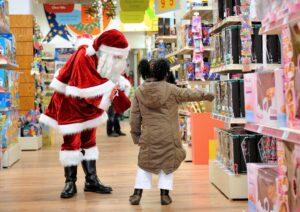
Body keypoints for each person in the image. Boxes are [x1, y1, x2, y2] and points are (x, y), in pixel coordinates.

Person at [39, 30, 131, 199]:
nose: (118, 61)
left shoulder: (103, 59)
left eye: (121, 57)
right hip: (70, 103)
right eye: (116, 56)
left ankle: (91, 180)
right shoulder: (83, 55)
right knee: (71, 143)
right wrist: (110, 95)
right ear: (107, 51)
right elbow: (85, 88)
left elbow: (111, 79)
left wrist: (119, 88)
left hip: (89, 106)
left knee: (89, 141)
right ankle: (70, 182)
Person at [129, 58, 215, 205]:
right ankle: (164, 195)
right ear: (164, 72)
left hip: (149, 136)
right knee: (167, 165)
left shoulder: (139, 92)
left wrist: (136, 135)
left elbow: (134, 117)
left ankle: (137, 193)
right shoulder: (171, 89)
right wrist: (206, 95)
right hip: (169, 136)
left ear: (145, 73)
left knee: (144, 164)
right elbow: (189, 94)